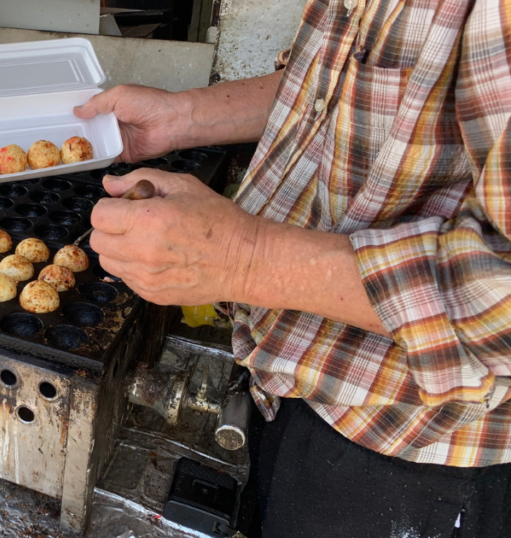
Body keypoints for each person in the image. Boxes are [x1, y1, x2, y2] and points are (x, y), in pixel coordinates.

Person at [77, 0, 511, 536]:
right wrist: (183, 117)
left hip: (417, 453)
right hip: (297, 379)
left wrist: (246, 259)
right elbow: (330, 88)